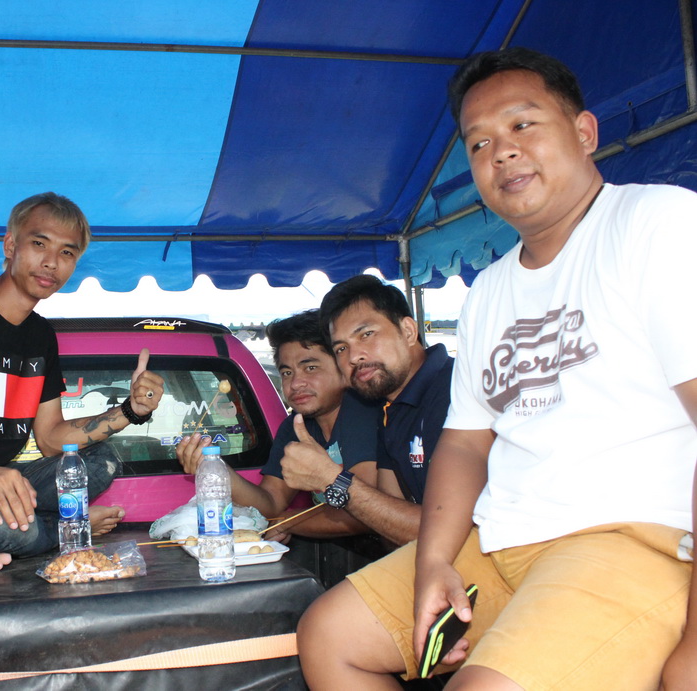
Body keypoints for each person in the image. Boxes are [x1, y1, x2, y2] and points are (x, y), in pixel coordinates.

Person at [297, 47, 697, 691]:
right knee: (328, 636)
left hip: (628, 539)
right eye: (479, 143)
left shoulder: (657, 224)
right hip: (501, 539)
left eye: (522, 124)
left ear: (585, 132)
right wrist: (433, 562)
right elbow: (463, 444)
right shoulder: (489, 291)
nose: (502, 152)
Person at [0, 192, 165, 571]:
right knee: (15, 531)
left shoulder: (41, 337)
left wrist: (130, 410)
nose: (51, 262)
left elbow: (50, 438)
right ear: (11, 245)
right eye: (39, 244)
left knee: (101, 462)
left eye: (67, 252)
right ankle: (66, 528)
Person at [177, 310, 382, 540]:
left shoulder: (363, 412)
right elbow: (271, 503)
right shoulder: (295, 426)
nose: (295, 383)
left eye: (310, 368)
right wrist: (217, 468)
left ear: (343, 368)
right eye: (287, 372)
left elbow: (362, 512)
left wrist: (288, 522)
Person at [285, 274, 453, 547]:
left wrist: (331, 478)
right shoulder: (389, 408)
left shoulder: (459, 392)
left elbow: (448, 532)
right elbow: (389, 520)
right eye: (341, 348)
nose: (354, 357)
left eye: (366, 334)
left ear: (408, 331)